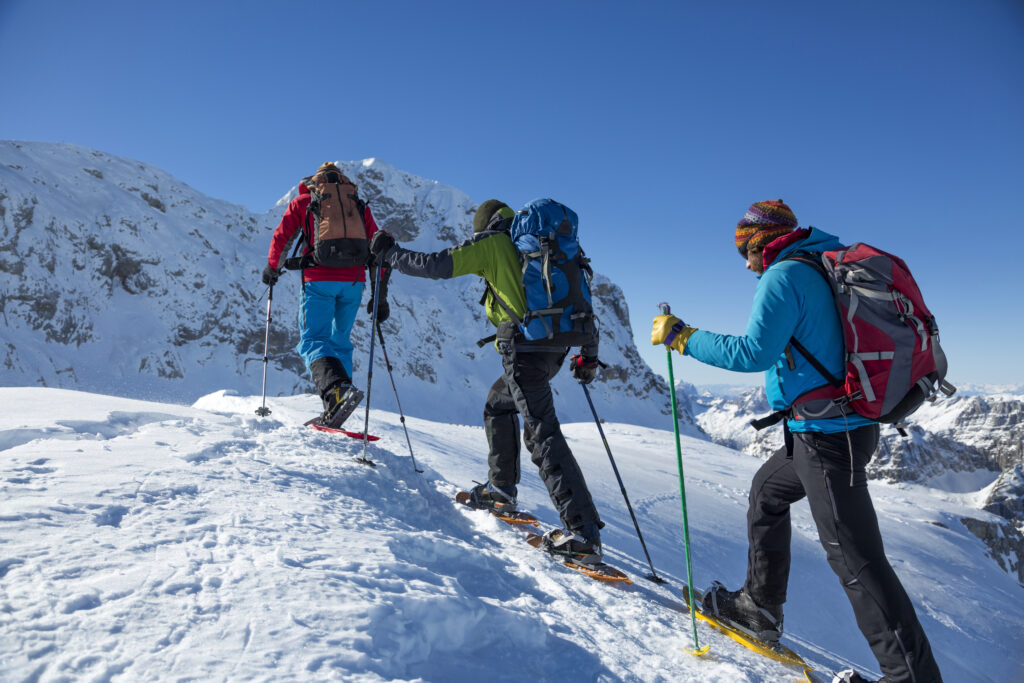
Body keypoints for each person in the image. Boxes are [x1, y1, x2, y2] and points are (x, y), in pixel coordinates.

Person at [651, 200, 942, 683]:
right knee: (767, 494)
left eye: (746, 250)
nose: (745, 263)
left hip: (829, 438)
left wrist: (684, 337)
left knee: (856, 560)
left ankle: (911, 677)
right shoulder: (822, 263)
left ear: (764, 242)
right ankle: (759, 608)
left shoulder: (784, 276)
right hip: (835, 429)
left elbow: (752, 352)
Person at [368, 199, 606, 565]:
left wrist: (392, 254)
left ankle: (583, 533)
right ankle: (501, 489)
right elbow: (583, 303)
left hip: (526, 353)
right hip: (558, 348)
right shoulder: (551, 247)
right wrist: (588, 357)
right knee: (498, 405)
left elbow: (437, 265)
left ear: (485, 227)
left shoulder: (493, 244)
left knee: (542, 432)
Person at [263, 162, 390, 428]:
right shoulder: (357, 205)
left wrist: (272, 269)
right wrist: (378, 294)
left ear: (315, 181)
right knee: (340, 341)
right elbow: (377, 246)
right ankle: (339, 403)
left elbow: (282, 237)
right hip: (354, 283)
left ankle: (337, 394)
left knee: (312, 340)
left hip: (319, 280)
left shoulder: (305, 202)